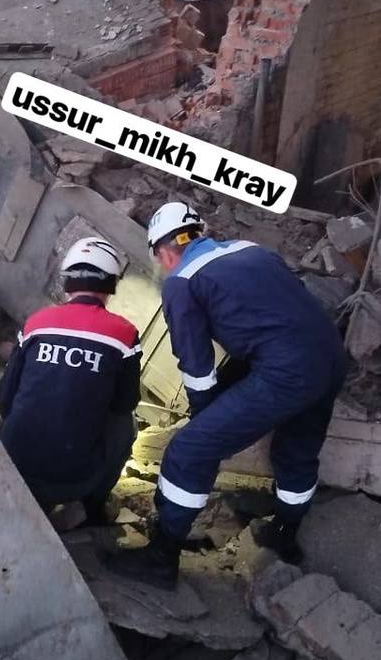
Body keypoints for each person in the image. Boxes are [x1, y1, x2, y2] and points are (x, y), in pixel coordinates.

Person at [107, 201, 348, 588]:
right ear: (196, 233)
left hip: (285, 371)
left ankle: (161, 557)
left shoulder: (182, 281)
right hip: (330, 358)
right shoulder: (249, 250)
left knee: (190, 450)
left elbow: (195, 363)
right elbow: (276, 316)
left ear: (163, 251)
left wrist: (205, 418)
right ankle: (285, 535)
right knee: (297, 448)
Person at [0, 236, 141, 522]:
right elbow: (125, 403)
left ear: (67, 282)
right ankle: (94, 507)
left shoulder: (36, 323)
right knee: (127, 425)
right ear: (111, 284)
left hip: (14, 466)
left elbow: (5, 397)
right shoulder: (124, 334)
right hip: (76, 479)